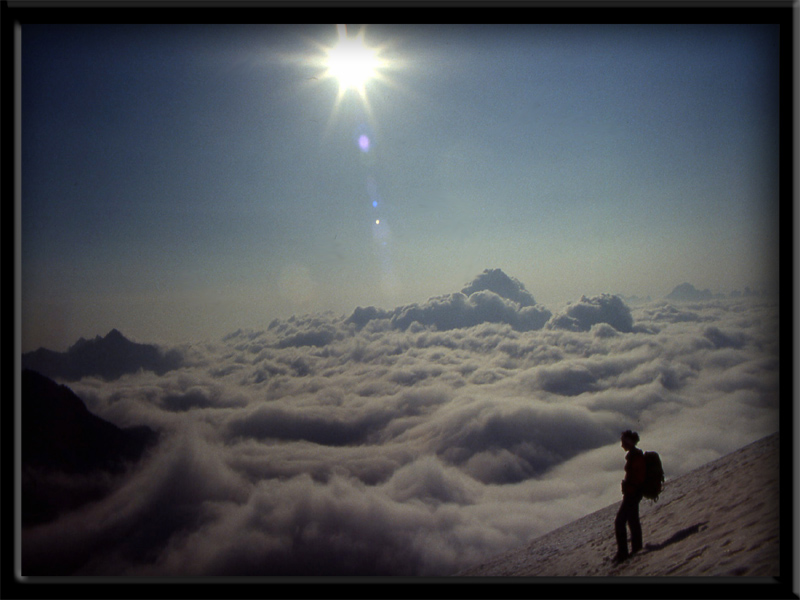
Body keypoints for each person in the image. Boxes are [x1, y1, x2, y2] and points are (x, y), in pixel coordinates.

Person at [614, 430, 646, 563]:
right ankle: (636, 549)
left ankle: (623, 553)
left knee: (620, 521)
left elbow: (637, 478)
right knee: (633, 520)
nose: (622, 445)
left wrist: (628, 486)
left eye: (623, 442)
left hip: (632, 494)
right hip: (633, 493)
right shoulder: (634, 455)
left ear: (628, 442)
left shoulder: (635, 457)